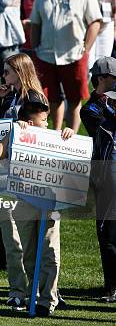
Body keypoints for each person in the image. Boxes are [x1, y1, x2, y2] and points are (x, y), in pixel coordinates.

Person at [0, 102, 74, 317]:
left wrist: (69, 132)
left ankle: (48, 299)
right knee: (29, 252)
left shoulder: (55, 137)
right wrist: (12, 131)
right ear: (30, 122)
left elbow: (72, 152)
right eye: (43, 120)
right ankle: (34, 293)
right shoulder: (18, 135)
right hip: (25, 200)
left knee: (49, 249)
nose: (47, 124)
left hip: (51, 202)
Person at [0, 52, 50, 309]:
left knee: (31, 241)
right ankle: (17, 289)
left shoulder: (35, 98)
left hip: (29, 176)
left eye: (7, 71)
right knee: (10, 238)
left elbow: (45, 135)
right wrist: (1, 101)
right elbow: (3, 132)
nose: (3, 76)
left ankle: (40, 291)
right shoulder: (11, 98)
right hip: (6, 173)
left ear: (20, 71)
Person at [30, 0, 102, 133]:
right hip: (46, 55)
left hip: (74, 55)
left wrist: (86, 49)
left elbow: (95, 22)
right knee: (51, 98)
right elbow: (35, 23)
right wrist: (35, 47)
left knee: (75, 98)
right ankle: (55, 132)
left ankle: (72, 135)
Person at [81, 57, 116, 304]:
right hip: (107, 177)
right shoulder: (90, 108)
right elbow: (106, 126)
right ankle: (112, 287)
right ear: (103, 79)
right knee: (109, 232)